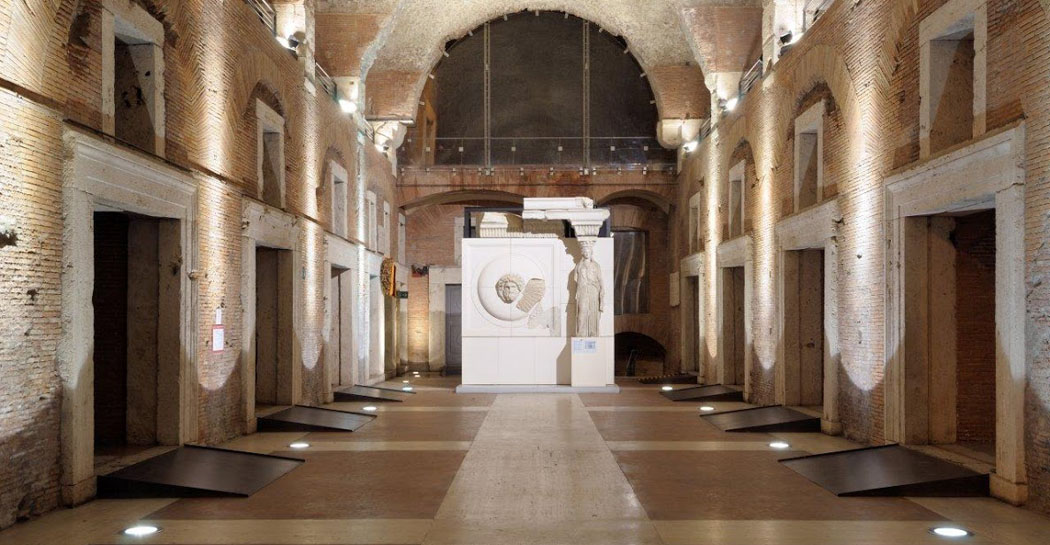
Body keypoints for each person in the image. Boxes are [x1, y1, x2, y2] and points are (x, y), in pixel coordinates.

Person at [573, 240, 603, 337]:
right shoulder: (579, 266)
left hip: (593, 290)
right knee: (582, 311)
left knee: (593, 312)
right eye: (585, 251)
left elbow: (600, 280)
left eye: (588, 251)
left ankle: (592, 333)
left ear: (591, 253)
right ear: (582, 253)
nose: (586, 253)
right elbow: (576, 280)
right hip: (582, 290)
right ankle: (580, 333)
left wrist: (602, 291)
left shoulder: (596, 265)